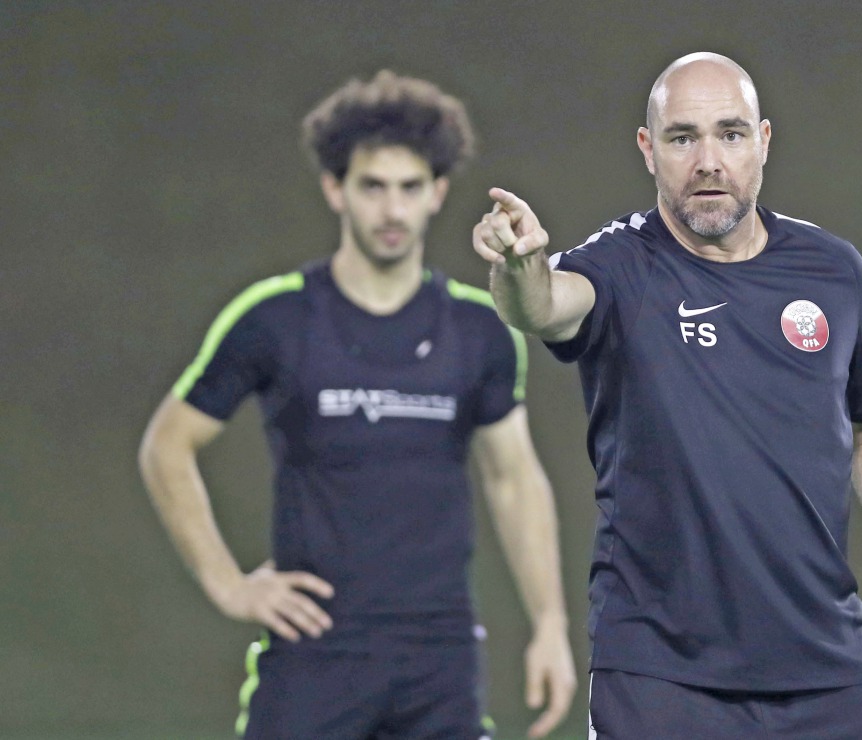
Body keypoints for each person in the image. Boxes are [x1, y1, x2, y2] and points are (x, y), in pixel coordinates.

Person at [472, 52, 862, 738]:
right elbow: (541, 306)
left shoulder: (831, 269)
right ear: (649, 151)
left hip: (829, 666)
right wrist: (518, 264)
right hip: (663, 676)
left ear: (763, 143)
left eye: (730, 134)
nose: (708, 160)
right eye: (683, 137)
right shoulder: (621, 264)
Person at [139, 70, 576, 740]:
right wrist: (229, 584)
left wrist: (549, 624)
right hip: (314, 657)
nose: (392, 211)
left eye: (409, 188)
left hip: (441, 661)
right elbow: (167, 446)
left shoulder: (479, 330)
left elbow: (514, 478)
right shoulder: (273, 319)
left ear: (437, 194)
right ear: (335, 188)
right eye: (373, 187)